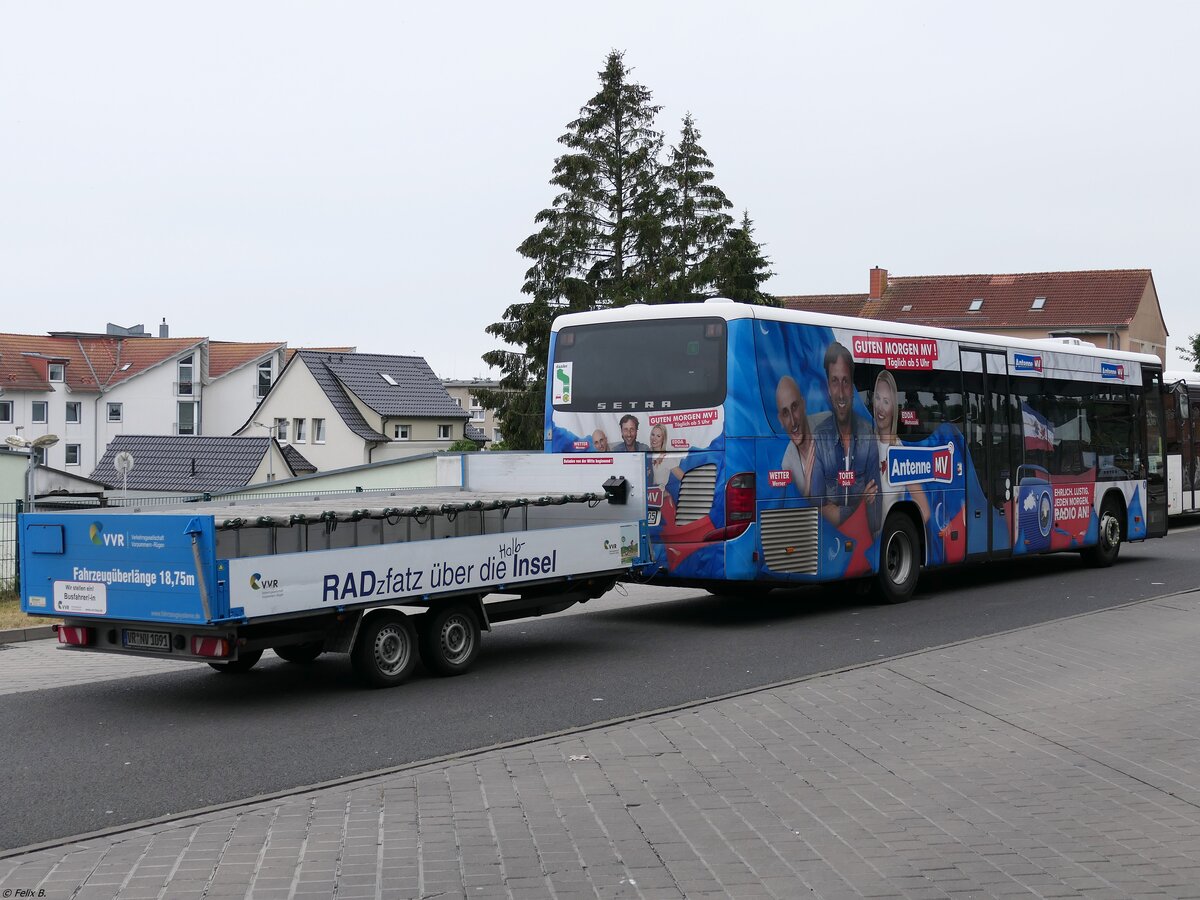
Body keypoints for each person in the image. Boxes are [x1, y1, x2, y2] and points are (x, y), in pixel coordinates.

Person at [812, 341, 880, 531]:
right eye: (835, 381)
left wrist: (837, 511)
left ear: (852, 389)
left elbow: (875, 518)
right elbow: (817, 507)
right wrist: (860, 505)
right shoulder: (819, 438)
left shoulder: (869, 434)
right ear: (827, 388)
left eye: (846, 382)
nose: (841, 393)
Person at [873, 370, 931, 521]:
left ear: (894, 408)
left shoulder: (899, 452)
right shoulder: (862, 442)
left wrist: (899, 522)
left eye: (886, 401)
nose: (880, 407)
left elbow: (925, 511)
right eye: (877, 398)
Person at [775, 375, 815, 497]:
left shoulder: (827, 426)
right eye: (786, 413)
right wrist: (808, 489)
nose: (793, 422)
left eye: (794, 407)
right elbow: (797, 505)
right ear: (781, 420)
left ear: (803, 405)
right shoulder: (787, 464)